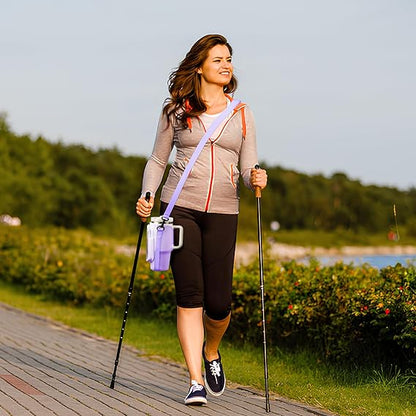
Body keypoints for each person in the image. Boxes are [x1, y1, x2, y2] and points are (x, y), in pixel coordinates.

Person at [136, 34, 267, 406]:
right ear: (200, 66)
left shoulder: (242, 113)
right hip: (180, 207)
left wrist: (255, 177)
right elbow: (157, 160)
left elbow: (247, 165)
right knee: (189, 294)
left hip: (225, 212)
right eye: (218, 60)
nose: (227, 65)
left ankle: (212, 350)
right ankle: (195, 380)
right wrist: (148, 195)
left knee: (220, 303)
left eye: (229, 59)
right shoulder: (176, 111)